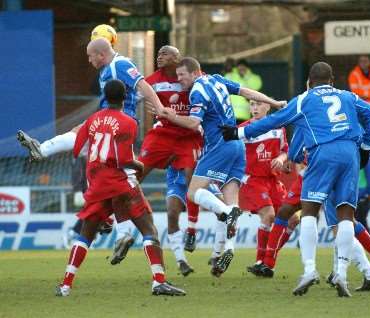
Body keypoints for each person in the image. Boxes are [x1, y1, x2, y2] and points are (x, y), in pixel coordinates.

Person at [220, 61, 370, 297]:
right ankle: (342, 273)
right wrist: (367, 147)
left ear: (309, 81)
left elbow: (274, 121)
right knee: (346, 216)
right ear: (332, 80)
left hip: (322, 154)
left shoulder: (305, 99)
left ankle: (309, 270)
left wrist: (239, 132)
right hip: (349, 155)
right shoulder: (348, 96)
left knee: (309, 211)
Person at [18, 37, 167, 264]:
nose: (89, 60)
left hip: (119, 126)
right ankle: (122, 233)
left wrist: (160, 109)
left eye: (90, 56)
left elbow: (143, 86)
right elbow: (123, 97)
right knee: (109, 174)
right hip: (109, 122)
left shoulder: (121, 64)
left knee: (108, 172)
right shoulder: (107, 70)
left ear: (100, 54)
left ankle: (110, 223)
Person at [151, 57, 285, 276]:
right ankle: (228, 249)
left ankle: (224, 213)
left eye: (182, 75)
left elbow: (194, 123)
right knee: (231, 202)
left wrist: (172, 116)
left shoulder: (198, 91)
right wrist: (274, 102)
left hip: (219, 147)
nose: (179, 79)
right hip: (237, 146)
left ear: (195, 73)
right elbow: (248, 92)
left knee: (194, 192)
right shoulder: (218, 80)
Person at [55, 79, 185, 297]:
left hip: (98, 185)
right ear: (125, 98)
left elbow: (78, 149)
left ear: (104, 97)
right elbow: (124, 159)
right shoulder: (129, 122)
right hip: (121, 183)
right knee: (148, 229)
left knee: (86, 234)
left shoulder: (92, 120)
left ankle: (66, 285)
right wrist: (140, 164)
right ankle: (158, 281)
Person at [138, 45, 204, 274]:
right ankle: (122, 227)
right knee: (135, 175)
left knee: (193, 182)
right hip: (163, 135)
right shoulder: (151, 81)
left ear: (178, 58)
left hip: (189, 137)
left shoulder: (194, 77)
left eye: (165, 53)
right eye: (158, 54)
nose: (159, 56)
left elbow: (214, 91)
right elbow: (131, 98)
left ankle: (197, 233)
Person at [238, 99, 292, 272]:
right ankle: (260, 261)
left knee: (293, 219)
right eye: (252, 104)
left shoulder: (278, 128)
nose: (254, 108)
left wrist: (281, 159)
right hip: (253, 179)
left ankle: (268, 256)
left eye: (258, 104)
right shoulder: (244, 130)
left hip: (273, 180)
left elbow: (285, 150)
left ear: (268, 106)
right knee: (269, 215)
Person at [225, 59, 263, 124]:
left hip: (245, 115)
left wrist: (244, 77)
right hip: (231, 115)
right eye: (239, 67)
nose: (241, 69)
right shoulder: (231, 76)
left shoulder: (254, 78)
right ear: (236, 68)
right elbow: (224, 82)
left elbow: (255, 89)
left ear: (247, 68)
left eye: (243, 67)